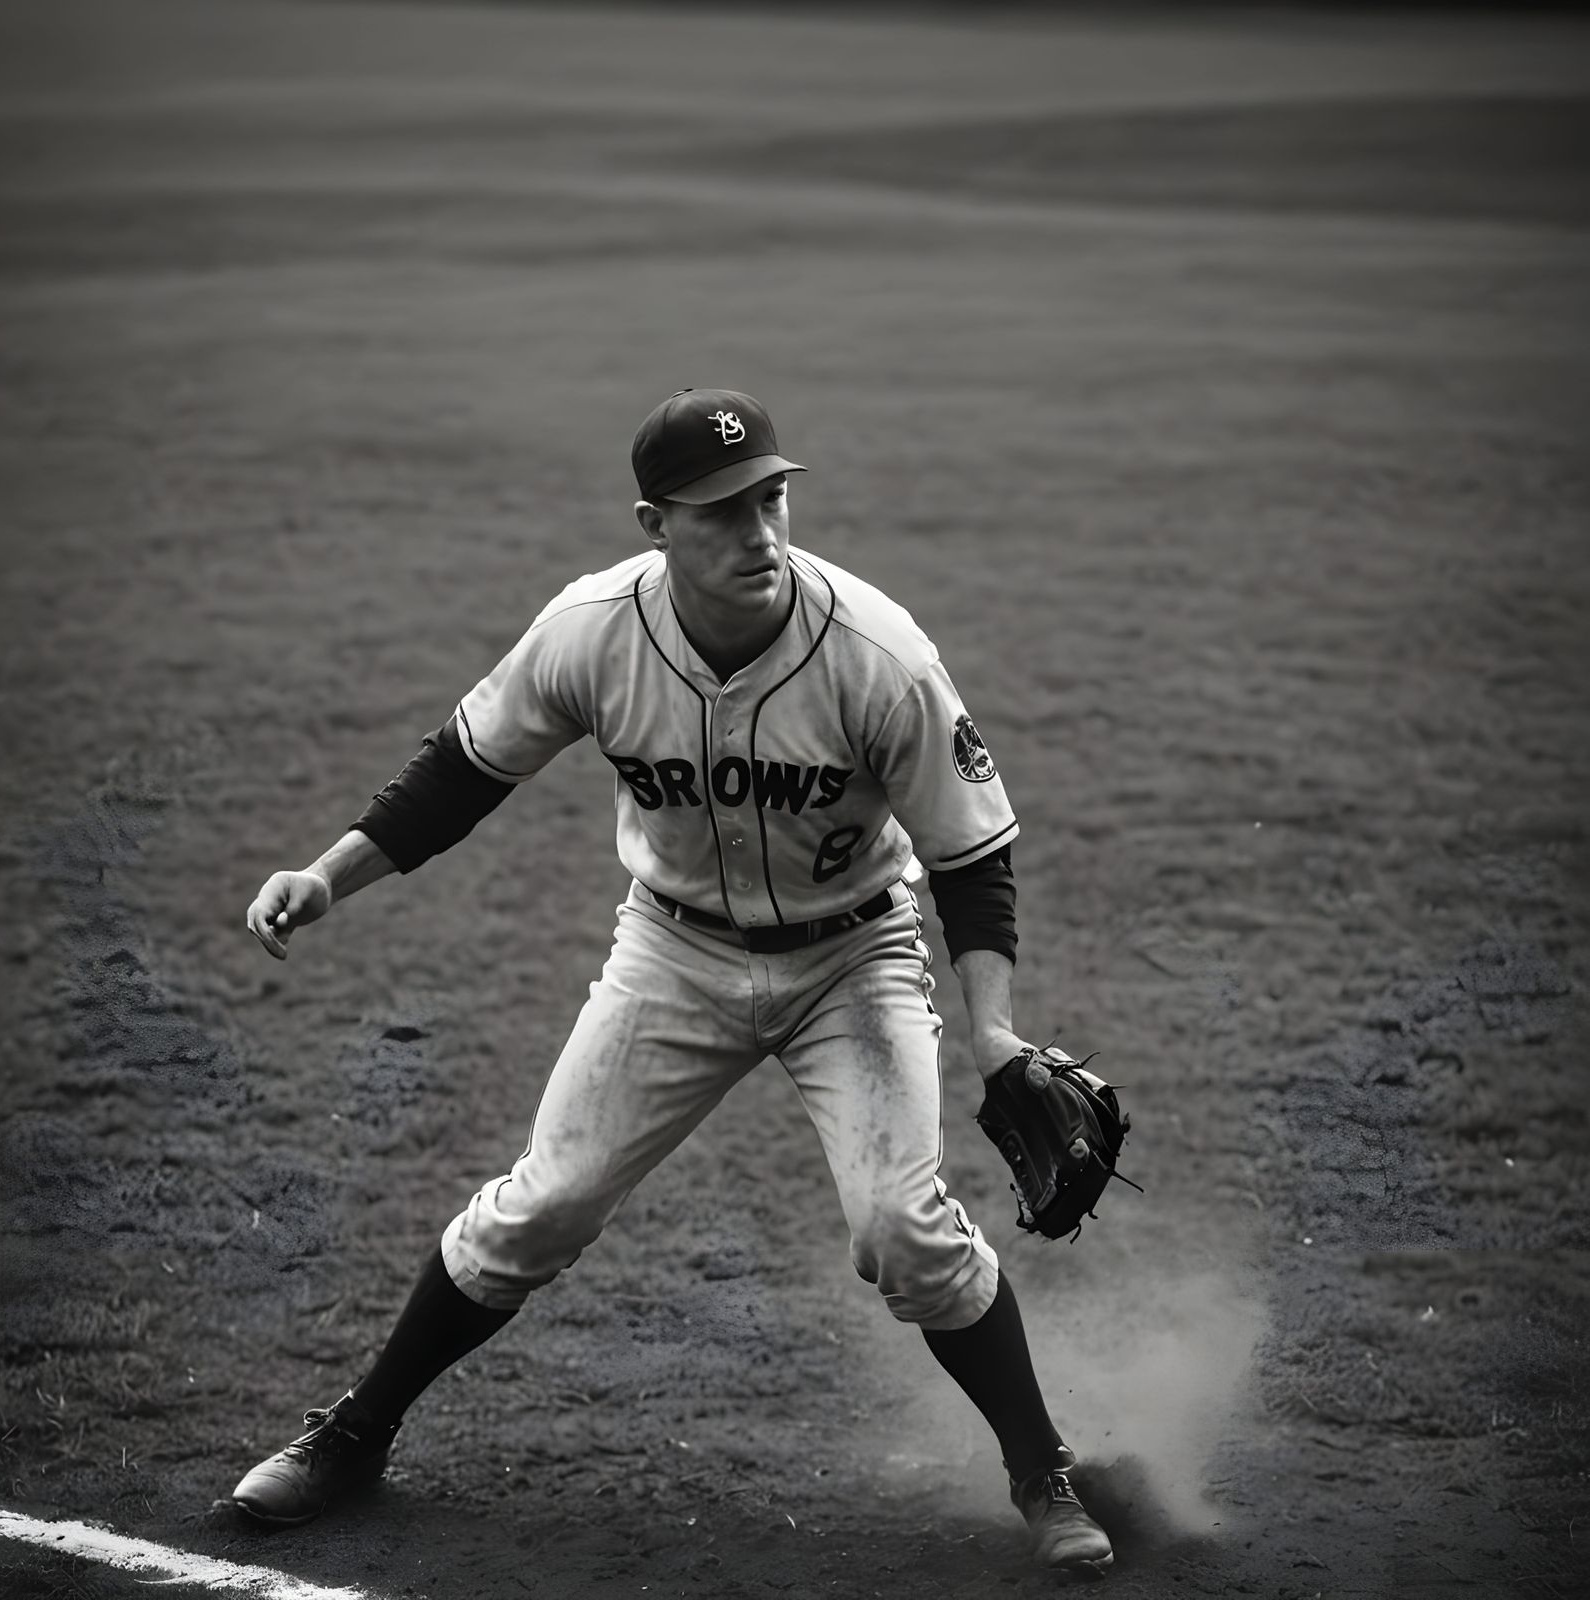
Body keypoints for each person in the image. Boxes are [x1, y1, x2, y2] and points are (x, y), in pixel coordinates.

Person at [234, 389, 1113, 1574]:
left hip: (852, 959)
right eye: (722, 513)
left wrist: (995, 1035)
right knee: (539, 1209)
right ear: (656, 524)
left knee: (905, 1230)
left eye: (772, 499)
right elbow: (463, 769)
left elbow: (971, 852)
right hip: (672, 952)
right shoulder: (592, 630)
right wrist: (330, 874)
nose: (759, 533)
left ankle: (1039, 1469)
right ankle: (355, 1431)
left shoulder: (875, 651)